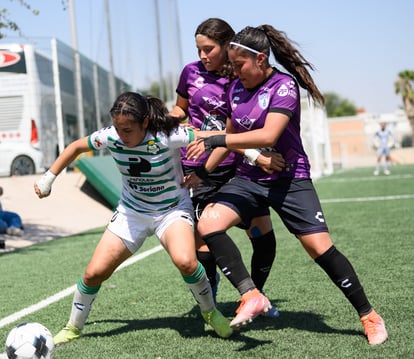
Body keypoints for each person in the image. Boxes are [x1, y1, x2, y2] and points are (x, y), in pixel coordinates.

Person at [186, 25, 388, 345]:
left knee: (319, 249)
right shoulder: (236, 89)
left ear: (261, 60)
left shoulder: (284, 86)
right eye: (232, 66)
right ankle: (251, 295)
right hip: (249, 179)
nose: (235, 72)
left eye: (240, 66)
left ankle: (369, 315)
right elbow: (230, 139)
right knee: (208, 223)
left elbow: (267, 135)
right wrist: (202, 173)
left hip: (290, 180)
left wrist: (214, 139)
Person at [34, 91, 233, 345]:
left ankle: (210, 312)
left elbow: (219, 138)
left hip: (171, 210)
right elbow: (75, 147)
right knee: (93, 273)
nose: (121, 135)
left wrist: (253, 154)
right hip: (132, 212)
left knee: (186, 262)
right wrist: (48, 179)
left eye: (127, 129)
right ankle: (73, 327)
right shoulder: (111, 136)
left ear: (145, 123)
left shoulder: (168, 135)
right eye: (117, 128)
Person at [170, 18, 283, 317]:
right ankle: (214, 295)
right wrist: (171, 116)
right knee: (204, 242)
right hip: (197, 167)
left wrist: (255, 156)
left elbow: (239, 130)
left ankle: (256, 295)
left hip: (236, 168)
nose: (202, 56)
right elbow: (181, 107)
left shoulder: (242, 78)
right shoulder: (190, 72)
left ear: (227, 46)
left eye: (209, 49)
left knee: (263, 237)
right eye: (198, 50)